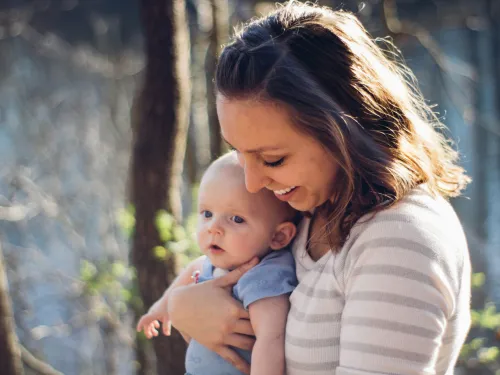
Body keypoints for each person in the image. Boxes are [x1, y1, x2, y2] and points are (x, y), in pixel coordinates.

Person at [167, 1, 472, 375]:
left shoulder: (398, 238)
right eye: (238, 153)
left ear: (344, 131)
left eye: (273, 159)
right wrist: (185, 308)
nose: (252, 182)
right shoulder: (308, 209)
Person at [136, 152, 300, 375]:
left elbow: (271, 340)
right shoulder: (215, 262)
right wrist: (160, 308)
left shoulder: (264, 276)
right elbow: (192, 268)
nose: (213, 227)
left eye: (236, 219)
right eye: (207, 213)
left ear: (279, 236)